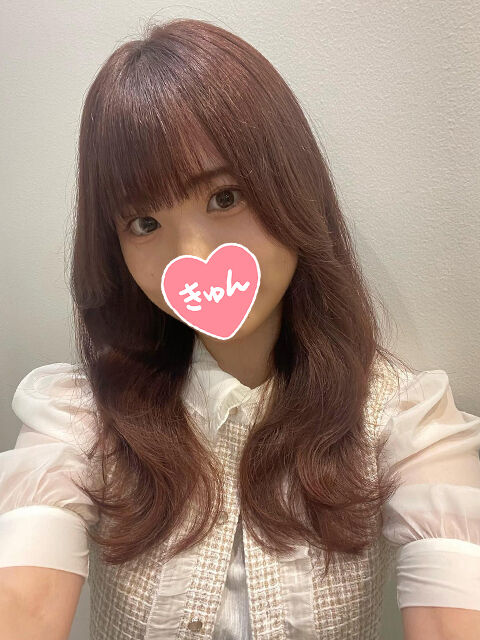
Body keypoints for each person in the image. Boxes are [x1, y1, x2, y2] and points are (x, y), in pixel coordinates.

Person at [1, 17, 480, 640]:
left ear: (292, 187)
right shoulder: (79, 416)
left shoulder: (405, 420)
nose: (191, 255)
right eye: (144, 223)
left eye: (225, 197)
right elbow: (23, 602)